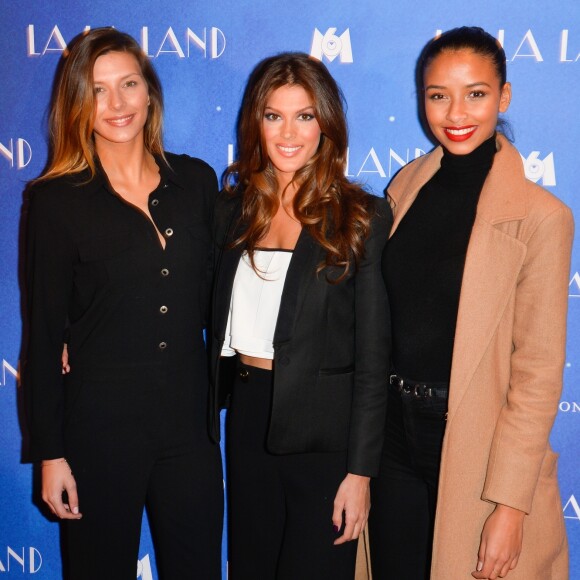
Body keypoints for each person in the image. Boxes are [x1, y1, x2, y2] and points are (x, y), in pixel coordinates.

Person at [367, 26, 572, 580]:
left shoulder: (542, 217)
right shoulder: (404, 187)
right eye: (438, 95)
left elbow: (537, 372)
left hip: (474, 440)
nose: (455, 112)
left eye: (476, 93)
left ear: (503, 97)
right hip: (390, 436)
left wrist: (511, 504)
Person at [24, 28, 223, 579]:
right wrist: (51, 453)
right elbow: (42, 335)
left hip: (189, 431)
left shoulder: (197, 183)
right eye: (98, 89)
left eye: (128, 84)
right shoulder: (55, 201)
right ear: (78, 106)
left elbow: (221, 295)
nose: (116, 104)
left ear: (149, 92)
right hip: (97, 432)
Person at [208, 52, 391, 579]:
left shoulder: (360, 216)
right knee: (252, 567)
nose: (289, 132)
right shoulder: (232, 210)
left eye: (304, 116)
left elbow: (373, 360)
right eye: (274, 115)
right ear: (256, 123)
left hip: (326, 438)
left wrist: (360, 473)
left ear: (326, 124)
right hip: (247, 419)